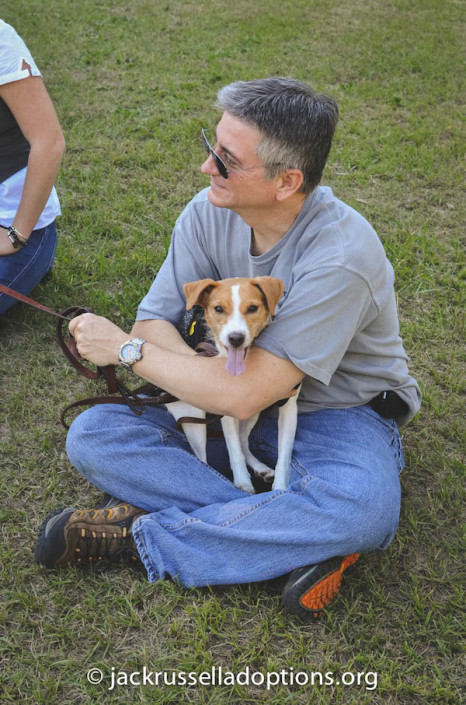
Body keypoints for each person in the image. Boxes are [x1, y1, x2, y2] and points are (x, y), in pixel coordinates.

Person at [35, 78, 421, 617]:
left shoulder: (340, 258)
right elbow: (154, 320)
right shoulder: (206, 211)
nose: (206, 167)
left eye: (225, 159)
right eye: (210, 146)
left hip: (335, 415)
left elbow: (244, 395)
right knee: (94, 435)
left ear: (287, 181)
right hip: (219, 390)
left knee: (364, 511)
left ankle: (142, 534)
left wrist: (125, 352)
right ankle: (293, 535)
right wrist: (193, 371)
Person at [0, 19, 65, 315]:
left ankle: (32, 258)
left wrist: (15, 235)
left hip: (14, 225)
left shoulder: (2, 41)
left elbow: (48, 141)